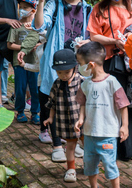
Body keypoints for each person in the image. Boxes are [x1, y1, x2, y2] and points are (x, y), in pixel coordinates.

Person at [33, 0, 91, 162]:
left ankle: (73, 142)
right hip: (55, 60)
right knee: (56, 100)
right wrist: (41, 2)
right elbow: (39, 25)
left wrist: (88, 41)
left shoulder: (88, 9)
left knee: (76, 103)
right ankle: (57, 145)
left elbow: (92, 34)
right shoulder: (53, 5)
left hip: (78, 63)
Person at [87, 0, 132, 161]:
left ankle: (126, 149)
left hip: (128, 64)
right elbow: (93, 36)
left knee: (126, 102)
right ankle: (107, 147)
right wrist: (114, 41)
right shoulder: (99, 9)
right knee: (107, 104)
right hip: (107, 62)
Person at [75, 41, 130, 188]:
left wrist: (124, 126)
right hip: (89, 134)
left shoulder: (112, 82)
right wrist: (80, 119)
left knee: (110, 164)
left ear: (91, 65)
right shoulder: (86, 84)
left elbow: (123, 105)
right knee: (89, 164)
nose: (79, 67)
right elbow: (82, 103)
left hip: (108, 134)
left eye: (81, 64)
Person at [43, 49, 85, 183]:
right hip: (65, 122)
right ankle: (71, 169)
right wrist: (50, 117)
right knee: (70, 146)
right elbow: (52, 102)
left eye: (66, 72)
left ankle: (89, 165)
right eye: (59, 72)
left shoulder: (81, 82)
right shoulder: (56, 84)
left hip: (83, 121)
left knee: (88, 145)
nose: (63, 76)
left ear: (74, 67)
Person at [7, 0, 41, 123]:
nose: (22, 10)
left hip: (35, 62)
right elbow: (9, 44)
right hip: (18, 62)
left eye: (25, 7)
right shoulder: (16, 25)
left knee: (35, 89)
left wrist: (36, 45)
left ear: (33, 10)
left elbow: (42, 41)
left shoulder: (38, 26)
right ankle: (20, 112)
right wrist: (25, 47)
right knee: (20, 88)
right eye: (20, 7)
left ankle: (35, 113)